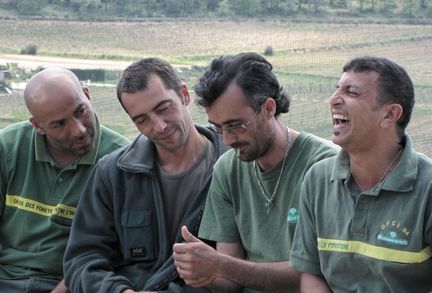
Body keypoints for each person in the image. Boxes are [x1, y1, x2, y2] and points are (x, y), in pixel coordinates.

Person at [172, 52, 338, 293]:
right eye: (218, 128)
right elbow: (230, 283)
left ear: (269, 108)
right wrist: (200, 271)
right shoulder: (228, 168)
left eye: (236, 125)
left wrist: (223, 266)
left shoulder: (325, 166)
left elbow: (319, 274)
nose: (227, 140)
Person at [63, 57, 226, 293]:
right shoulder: (112, 173)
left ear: (184, 95)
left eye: (163, 108)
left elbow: (242, 267)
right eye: (142, 119)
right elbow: (81, 261)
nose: (158, 126)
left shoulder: (234, 167)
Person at [289, 56, 432, 292]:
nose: (333, 100)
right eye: (336, 90)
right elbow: (312, 273)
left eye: (351, 92)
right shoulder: (318, 179)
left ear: (390, 115)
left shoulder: (427, 187)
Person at [0, 67, 129, 293]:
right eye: (60, 124)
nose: (78, 130)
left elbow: (107, 253)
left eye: (81, 111)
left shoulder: (122, 161)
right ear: (38, 126)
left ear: (87, 95)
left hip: (71, 284)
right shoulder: (7, 147)